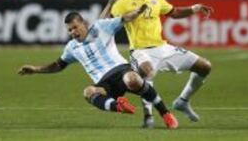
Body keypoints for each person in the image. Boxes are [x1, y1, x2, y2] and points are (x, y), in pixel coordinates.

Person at [18, 7, 179, 129]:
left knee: (133, 79)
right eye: (70, 30)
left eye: (75, 27)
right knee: (88, 92)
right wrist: (35, 69)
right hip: (104, 83)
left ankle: (165, 113)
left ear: (84, 23)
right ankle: (119, 106)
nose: (73, 32)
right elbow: (58, 65)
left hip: (120, 70)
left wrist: (137, 12)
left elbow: (124, 18)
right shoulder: (71, 48)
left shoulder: (102, 27)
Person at [100, 0, 213, 128]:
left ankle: (183, 101)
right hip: (140, 51)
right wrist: (111, 1)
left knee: (205, 66)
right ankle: (148, 116)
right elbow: (101, 25)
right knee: (147, 71)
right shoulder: (123, 3)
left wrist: (194, 8)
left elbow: (174, 12)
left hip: (163, 47)